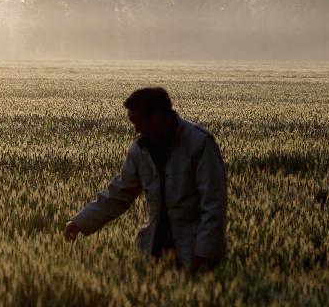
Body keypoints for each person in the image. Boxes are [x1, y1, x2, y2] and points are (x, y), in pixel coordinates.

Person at [64, 87, 227, 272]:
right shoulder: (140, 148)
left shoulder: (200, 143)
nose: (136, 129)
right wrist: (80, 221)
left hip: (192, 250)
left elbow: (214, 205)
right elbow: (119, 192)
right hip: (155, 250)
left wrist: (205, 253)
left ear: (157, 117)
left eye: (138, 122)